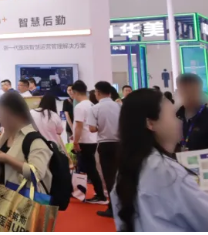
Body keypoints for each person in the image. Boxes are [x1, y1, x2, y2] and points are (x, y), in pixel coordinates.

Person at [111, 88, 208, 231]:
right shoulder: (169, 172)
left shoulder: (127, 168)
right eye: (173, 115)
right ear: (151, 123)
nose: (179, 121)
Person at [0, 91, 53, 212]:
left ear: (14, 115)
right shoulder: (6, 135)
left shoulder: (35, 140)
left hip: (22, 203)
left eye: (2, 115)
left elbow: (37, 174)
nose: (0, 120)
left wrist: (7, 159)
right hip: (3, 199)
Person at [69, 80, 106, 204]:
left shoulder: (80, 107)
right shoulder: (91, 104)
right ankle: (93, 192)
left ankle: (100, 195)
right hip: (92, 140)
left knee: (89, 169)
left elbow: (79, 126)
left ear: (75, 93)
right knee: (88, 168)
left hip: (84, 141)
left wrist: (75, 141)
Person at [89, 81, 121, 218]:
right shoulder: (119, 106)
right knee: (120, 176)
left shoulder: (95, 108)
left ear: (97, 92)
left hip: (105, 144)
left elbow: (92, 128)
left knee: (109, 177)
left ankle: (112, 208)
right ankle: (123, 206)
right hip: (120, 144)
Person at [176, 73, 208, 151]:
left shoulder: (205, 116)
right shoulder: (177, 116)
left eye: (191, 90)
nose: (187, 95)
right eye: (183, 90)